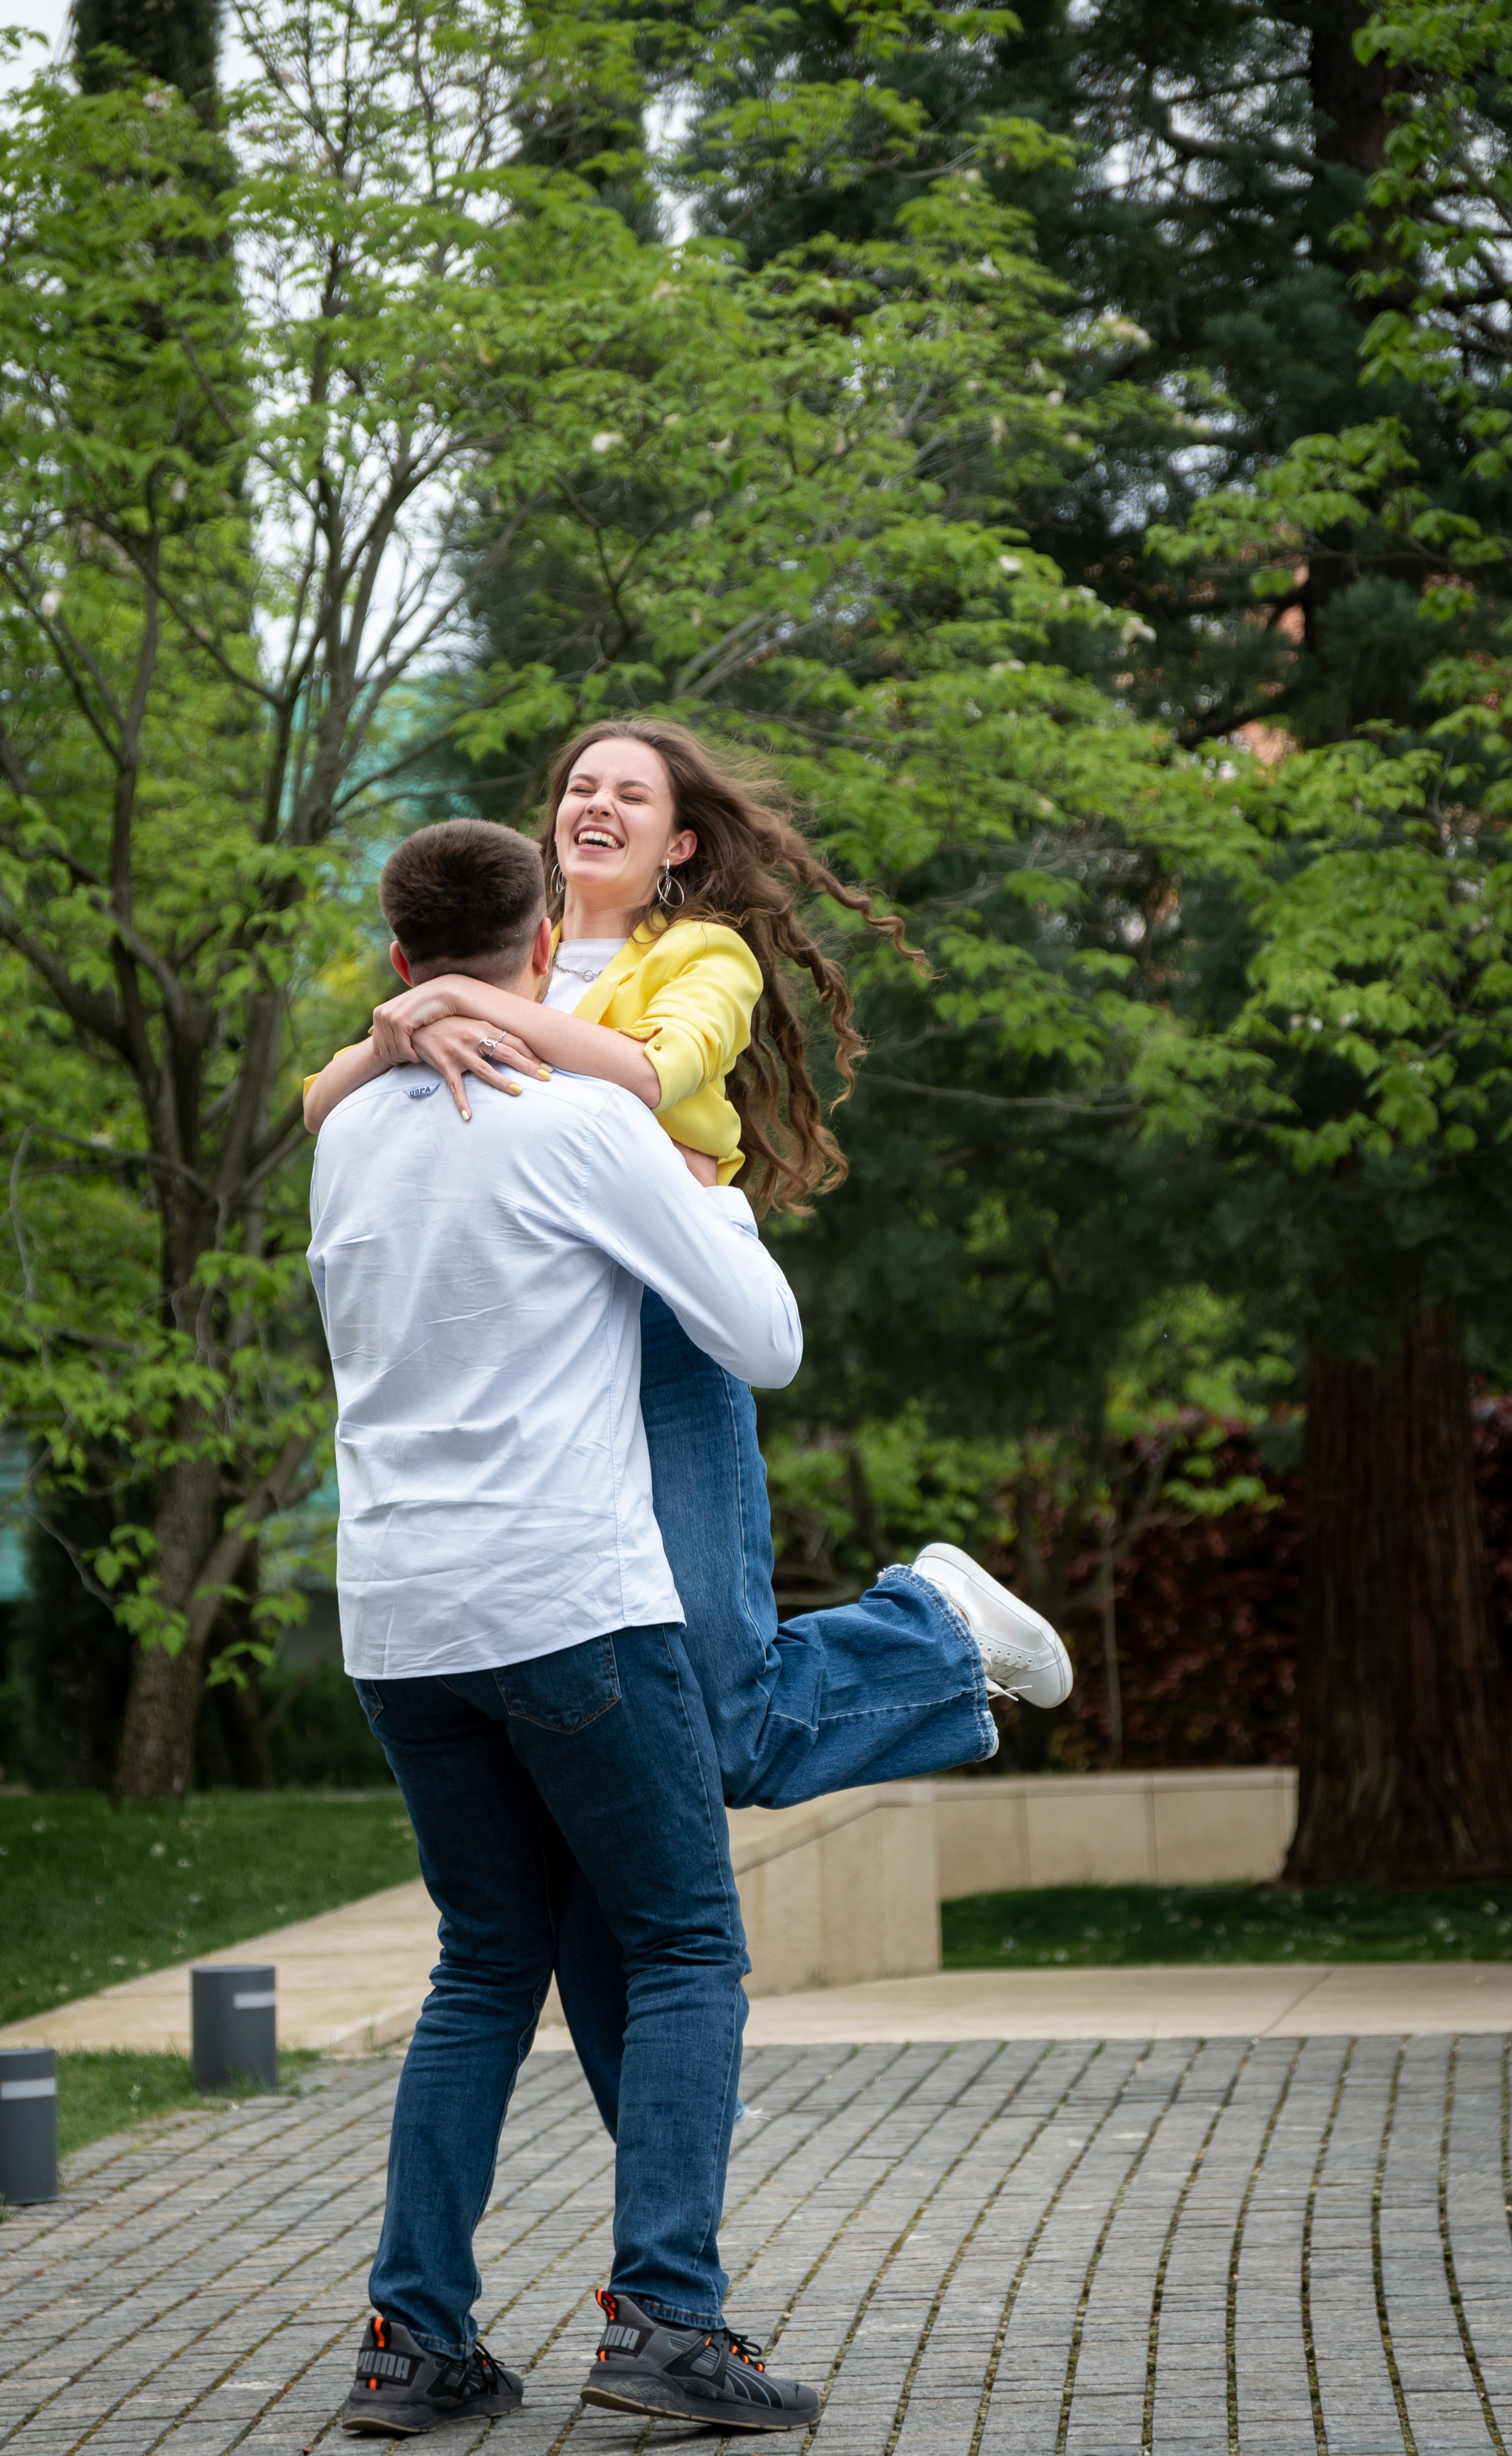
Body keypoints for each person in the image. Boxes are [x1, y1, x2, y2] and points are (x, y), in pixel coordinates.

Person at [305, 720, 1073, 1833]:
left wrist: (463, 1009)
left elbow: (655, 1071)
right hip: (540, 1339)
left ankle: (937, 1629)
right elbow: (324, 1103)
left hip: (668, 1319)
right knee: (626, 1723)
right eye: (579, 786)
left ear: (678, 843)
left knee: (723, 1720)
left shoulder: (700, 955)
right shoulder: (504, 943)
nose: (596, 804)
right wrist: (394, 1034)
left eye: (631, 793)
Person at [313, 819, 826, 2437]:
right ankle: (665, 2327)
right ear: (545, 954)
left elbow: (345, 1093)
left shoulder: (345, 1138)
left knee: (484, 1962)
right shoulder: (582, 1121)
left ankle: (413, 2342)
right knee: (683, 1949)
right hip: (570, 1606)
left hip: (399, 1619)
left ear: (400, 965)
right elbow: (762, 1346)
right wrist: (706, 1194)